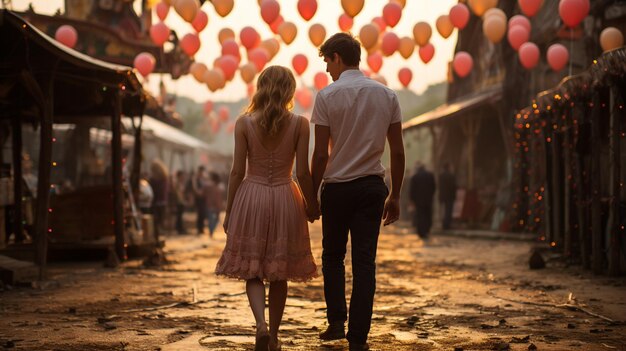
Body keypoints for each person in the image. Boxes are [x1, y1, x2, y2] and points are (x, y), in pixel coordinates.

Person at [311, 32, 405, 351]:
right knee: (365, 262)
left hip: (337, 188)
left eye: (327, 60)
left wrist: (311, 193)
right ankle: (358, 338)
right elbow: (398, 152)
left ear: (337, 57)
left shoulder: (326, 96)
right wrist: (396, 195)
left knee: (333, 256)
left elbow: (321, 154)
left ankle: (337, 321)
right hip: (371, 187)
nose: (326, 68)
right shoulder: (387, 95)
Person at [215, 66, 319, 351]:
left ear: (260, 87)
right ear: (289, 90)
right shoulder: (300, 123)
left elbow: (237, 172)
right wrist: (312, 205)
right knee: (279, 270)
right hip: (286, 196)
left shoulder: (243, 123)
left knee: (253, 270)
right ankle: (273, 336)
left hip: (252, 196)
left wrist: (229, 211)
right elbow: (304, 173)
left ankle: (259, 324)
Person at [409, 164, 436, 240]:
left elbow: (412, 190)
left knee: (420, 216)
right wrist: (431, 196)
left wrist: (412, 200)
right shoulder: (430, 175)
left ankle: (421, 232)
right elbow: (434, 187)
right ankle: (427, 230)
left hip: (418, 200)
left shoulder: (415, 177)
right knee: (428, 215)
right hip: (428, 199)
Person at [149, 159, 170, 240]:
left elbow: (155, 191)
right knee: (159, 222)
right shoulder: (164, 178)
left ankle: (156, 239)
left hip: (156, 202)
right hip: (163, 202)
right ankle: (157, 239)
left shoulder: (155, 180)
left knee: (155, 223)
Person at [203, 171, 224, 238]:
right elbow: (218, 199)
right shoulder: (217, 188)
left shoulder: (208, 186)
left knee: (211, 220)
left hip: (209, 205)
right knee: (215, 220)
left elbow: (202, 193)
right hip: (215, 206)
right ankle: (211, 232)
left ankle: (211, 232)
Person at [438, 163, 457, 230]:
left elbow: (440, 187)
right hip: (450, 196)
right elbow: (453, 187)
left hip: (443, 196)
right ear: (448, 167)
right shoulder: (451, 176)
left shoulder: (441, 176)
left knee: (444, 211)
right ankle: (447, 225)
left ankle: (444, 224)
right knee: (448, 211)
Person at [192, 165, 207, 235]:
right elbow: (195, 188)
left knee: (203, 213)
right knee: (200, 213)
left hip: (203, 198)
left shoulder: (203, 178)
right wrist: (199, 192)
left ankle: (202, 228)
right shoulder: (195, 178)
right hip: (198, 198)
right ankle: (199, 228)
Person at [173, 170, 188, 235]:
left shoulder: (181, 183)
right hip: (179, 202)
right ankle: (179, 229)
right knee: (179, 216)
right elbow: (178, 193)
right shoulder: (177, 183)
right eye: (182, 176)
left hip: (181, 201)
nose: (183, 177)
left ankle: (180, 228)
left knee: (180, 216)